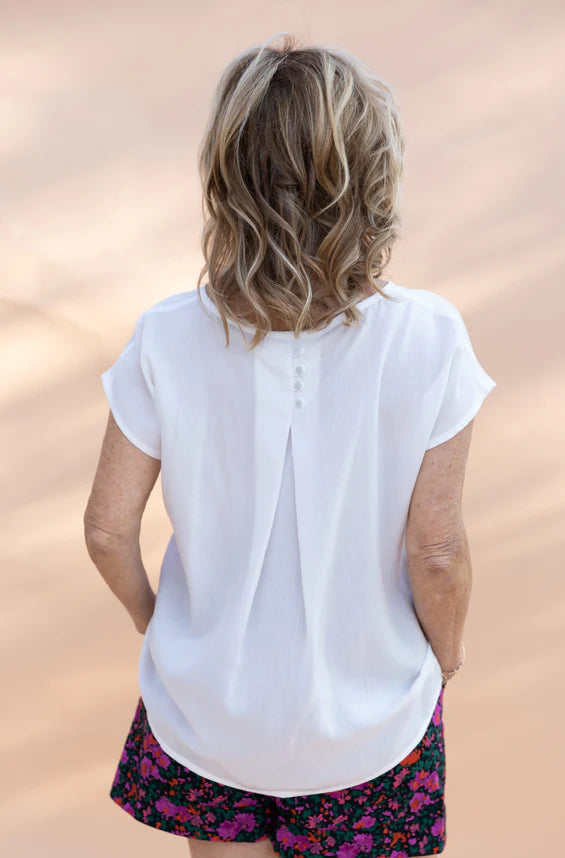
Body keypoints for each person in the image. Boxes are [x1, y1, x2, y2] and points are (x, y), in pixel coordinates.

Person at [84, 33, 497, 858]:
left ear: (227, 177)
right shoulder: (428, 336)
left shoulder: (167, 337)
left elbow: (106, 529)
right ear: (371, 176)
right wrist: (446, 656)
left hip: (211, 719)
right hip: (370, 728)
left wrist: (160, 626)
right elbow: (439, 552)